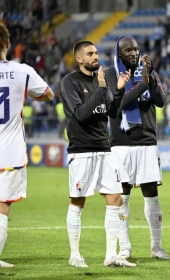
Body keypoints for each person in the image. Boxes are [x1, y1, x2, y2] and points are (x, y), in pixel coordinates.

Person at [60, 40, 135, 268]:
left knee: (116, 198)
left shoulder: (99, 80)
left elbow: (112, 112)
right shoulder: (70, 82)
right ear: (79, 58)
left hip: (104, 148)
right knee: (78, 201)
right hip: (81, 151)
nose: (95, 56)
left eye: (96, 52)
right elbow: (80, 114)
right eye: (90, 53)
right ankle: (75, 255)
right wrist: (102, 90)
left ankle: (111, 256)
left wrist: (119, 91)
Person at [104, 36, 170, 260]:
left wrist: (149, 79)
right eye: (127, 50)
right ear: (119, 54)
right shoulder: (111, 73)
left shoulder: (148, 70)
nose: (133, 53)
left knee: (152, 195)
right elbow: (118, 102)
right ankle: (125, 247)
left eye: (135, 49)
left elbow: (160, 101)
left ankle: (156, 246)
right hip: (121, 144)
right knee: (122, 197)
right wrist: (142, 83)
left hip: (147, 142)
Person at [0, 22, 54, 267]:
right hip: (8, 152)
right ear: (8, 43)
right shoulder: (22, 71)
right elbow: (48, 94)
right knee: (3, 204)